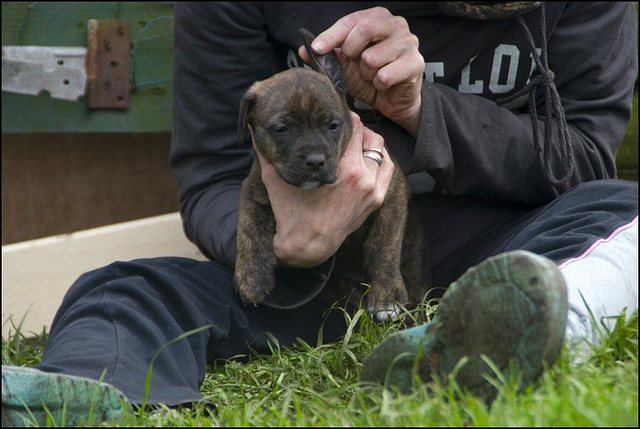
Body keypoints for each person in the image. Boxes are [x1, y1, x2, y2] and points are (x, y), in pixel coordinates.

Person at [2, 2, 638, 426]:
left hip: (499, 244)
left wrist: (423, 107)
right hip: (306, 272)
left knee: (625, 212)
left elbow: (581, 159)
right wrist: (288, 242)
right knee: (124, 290)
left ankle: (510, 330)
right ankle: (85, 399)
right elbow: (212, 176)